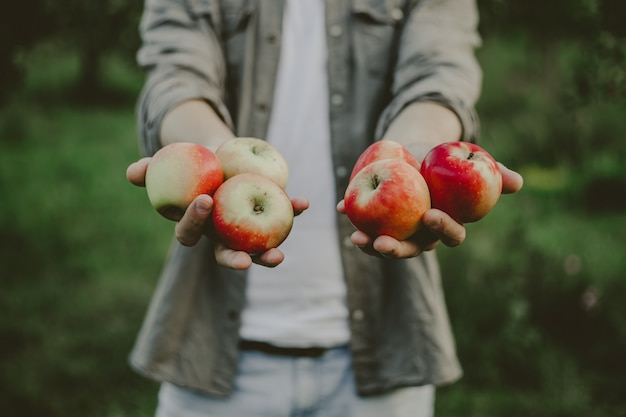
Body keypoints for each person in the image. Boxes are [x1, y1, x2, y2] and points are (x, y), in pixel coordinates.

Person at [125, 0, 524, 416]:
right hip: (212, 349)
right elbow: (176, 70)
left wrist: (417, 156)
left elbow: (440, 67)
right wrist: (208, 161)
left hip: (380, 353)